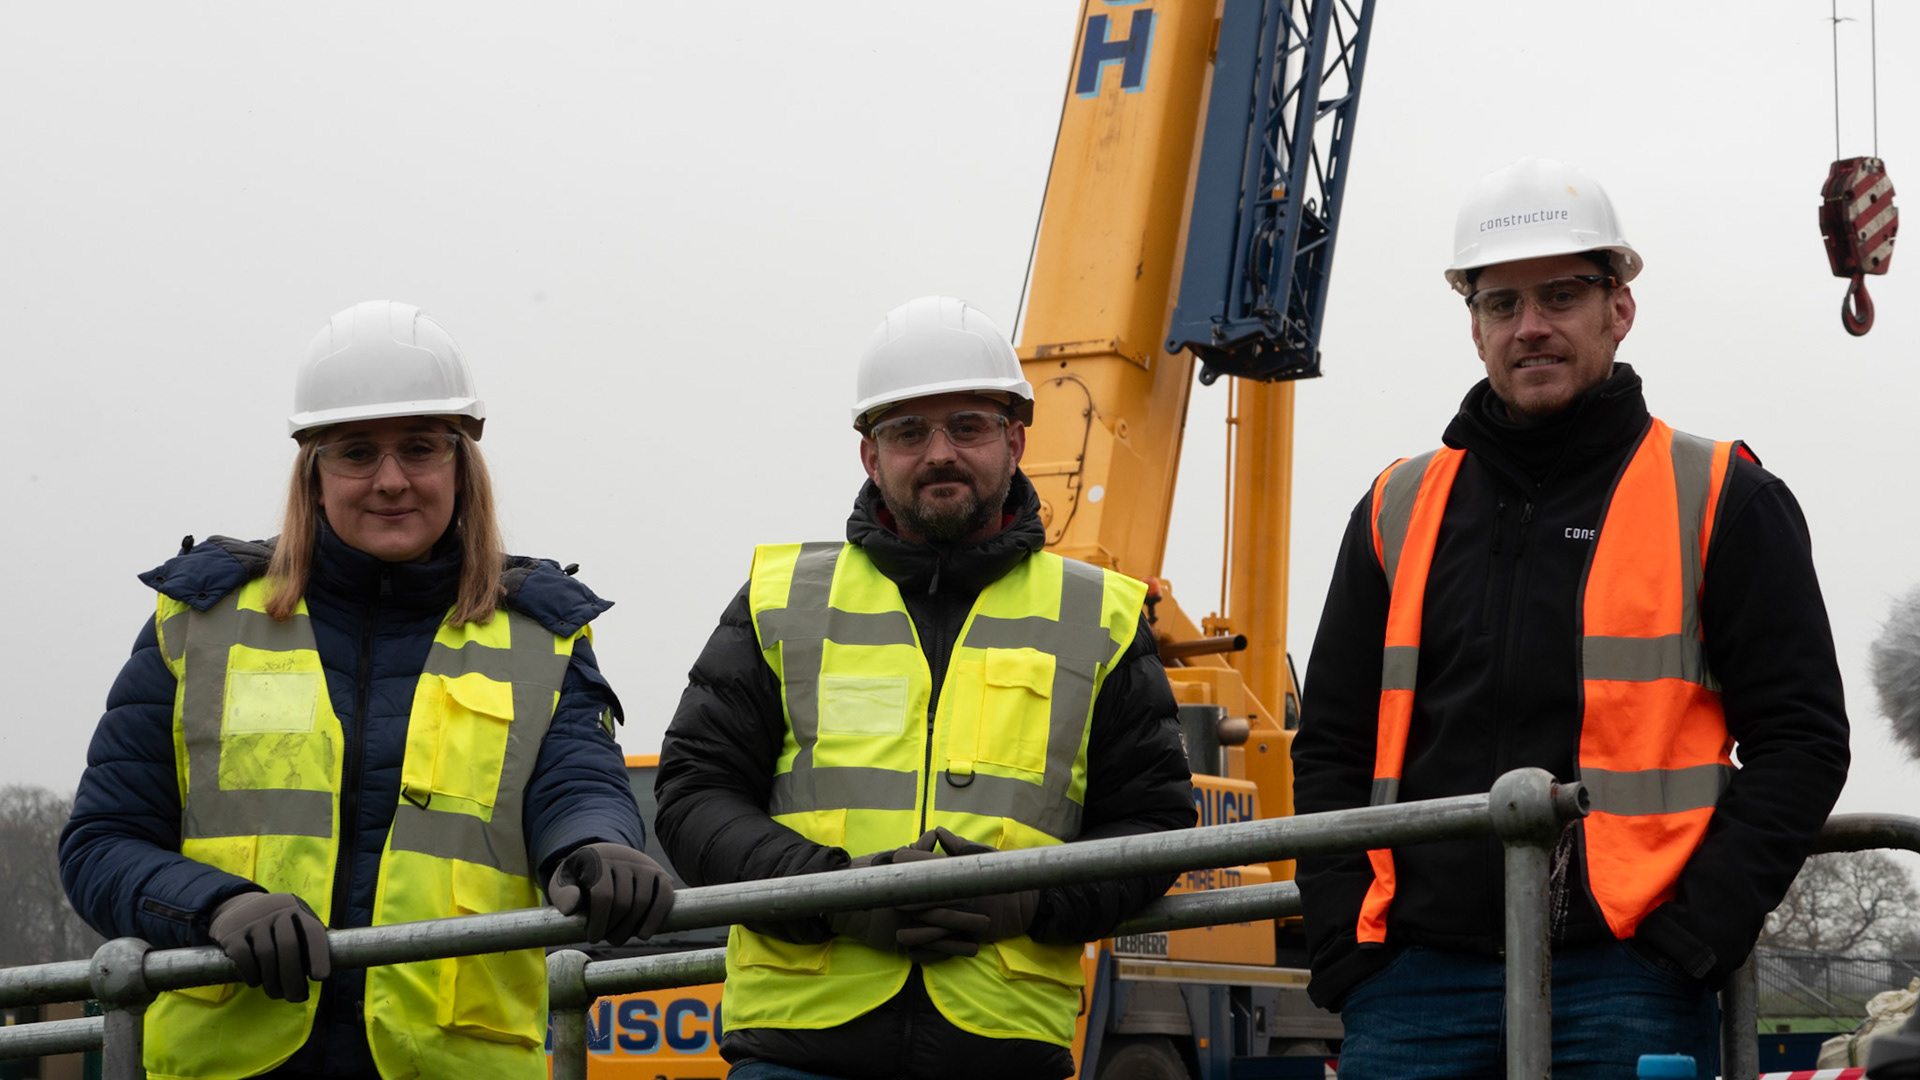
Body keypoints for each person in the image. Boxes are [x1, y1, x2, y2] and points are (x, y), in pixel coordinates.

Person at [1291, 157, 1851, 1078]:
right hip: (1411, 985)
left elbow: (1803, 739)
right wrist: (1347, 953)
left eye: (1560, 296)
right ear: (1473, 327)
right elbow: (1332, 744)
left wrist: (1693, 936)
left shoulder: (1721, 496)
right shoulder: (1397, 507)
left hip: (1626, 977)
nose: (1531, 327)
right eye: (1502, 304)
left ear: (1619, 310)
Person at [59, 300, 674, 1079]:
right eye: (356, 452)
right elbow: (101, 842)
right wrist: (216, 907)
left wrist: (598, 849)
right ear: (314, 473)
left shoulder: (541, 635)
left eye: (420, 449)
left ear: (461, 465)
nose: (390, 481)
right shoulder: (199, 623)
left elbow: (578, 789)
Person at [654, 295, 1194, 1080]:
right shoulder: (782, 600)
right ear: (871, 457)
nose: (940, 452)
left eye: (968, 427)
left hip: (1002, 1050)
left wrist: (1029, 898)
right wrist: (835, 894)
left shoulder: (1100, 614)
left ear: (1015, 442)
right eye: (909, 431)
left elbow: (1154, 824)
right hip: (799, 1050)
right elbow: (693, 795)